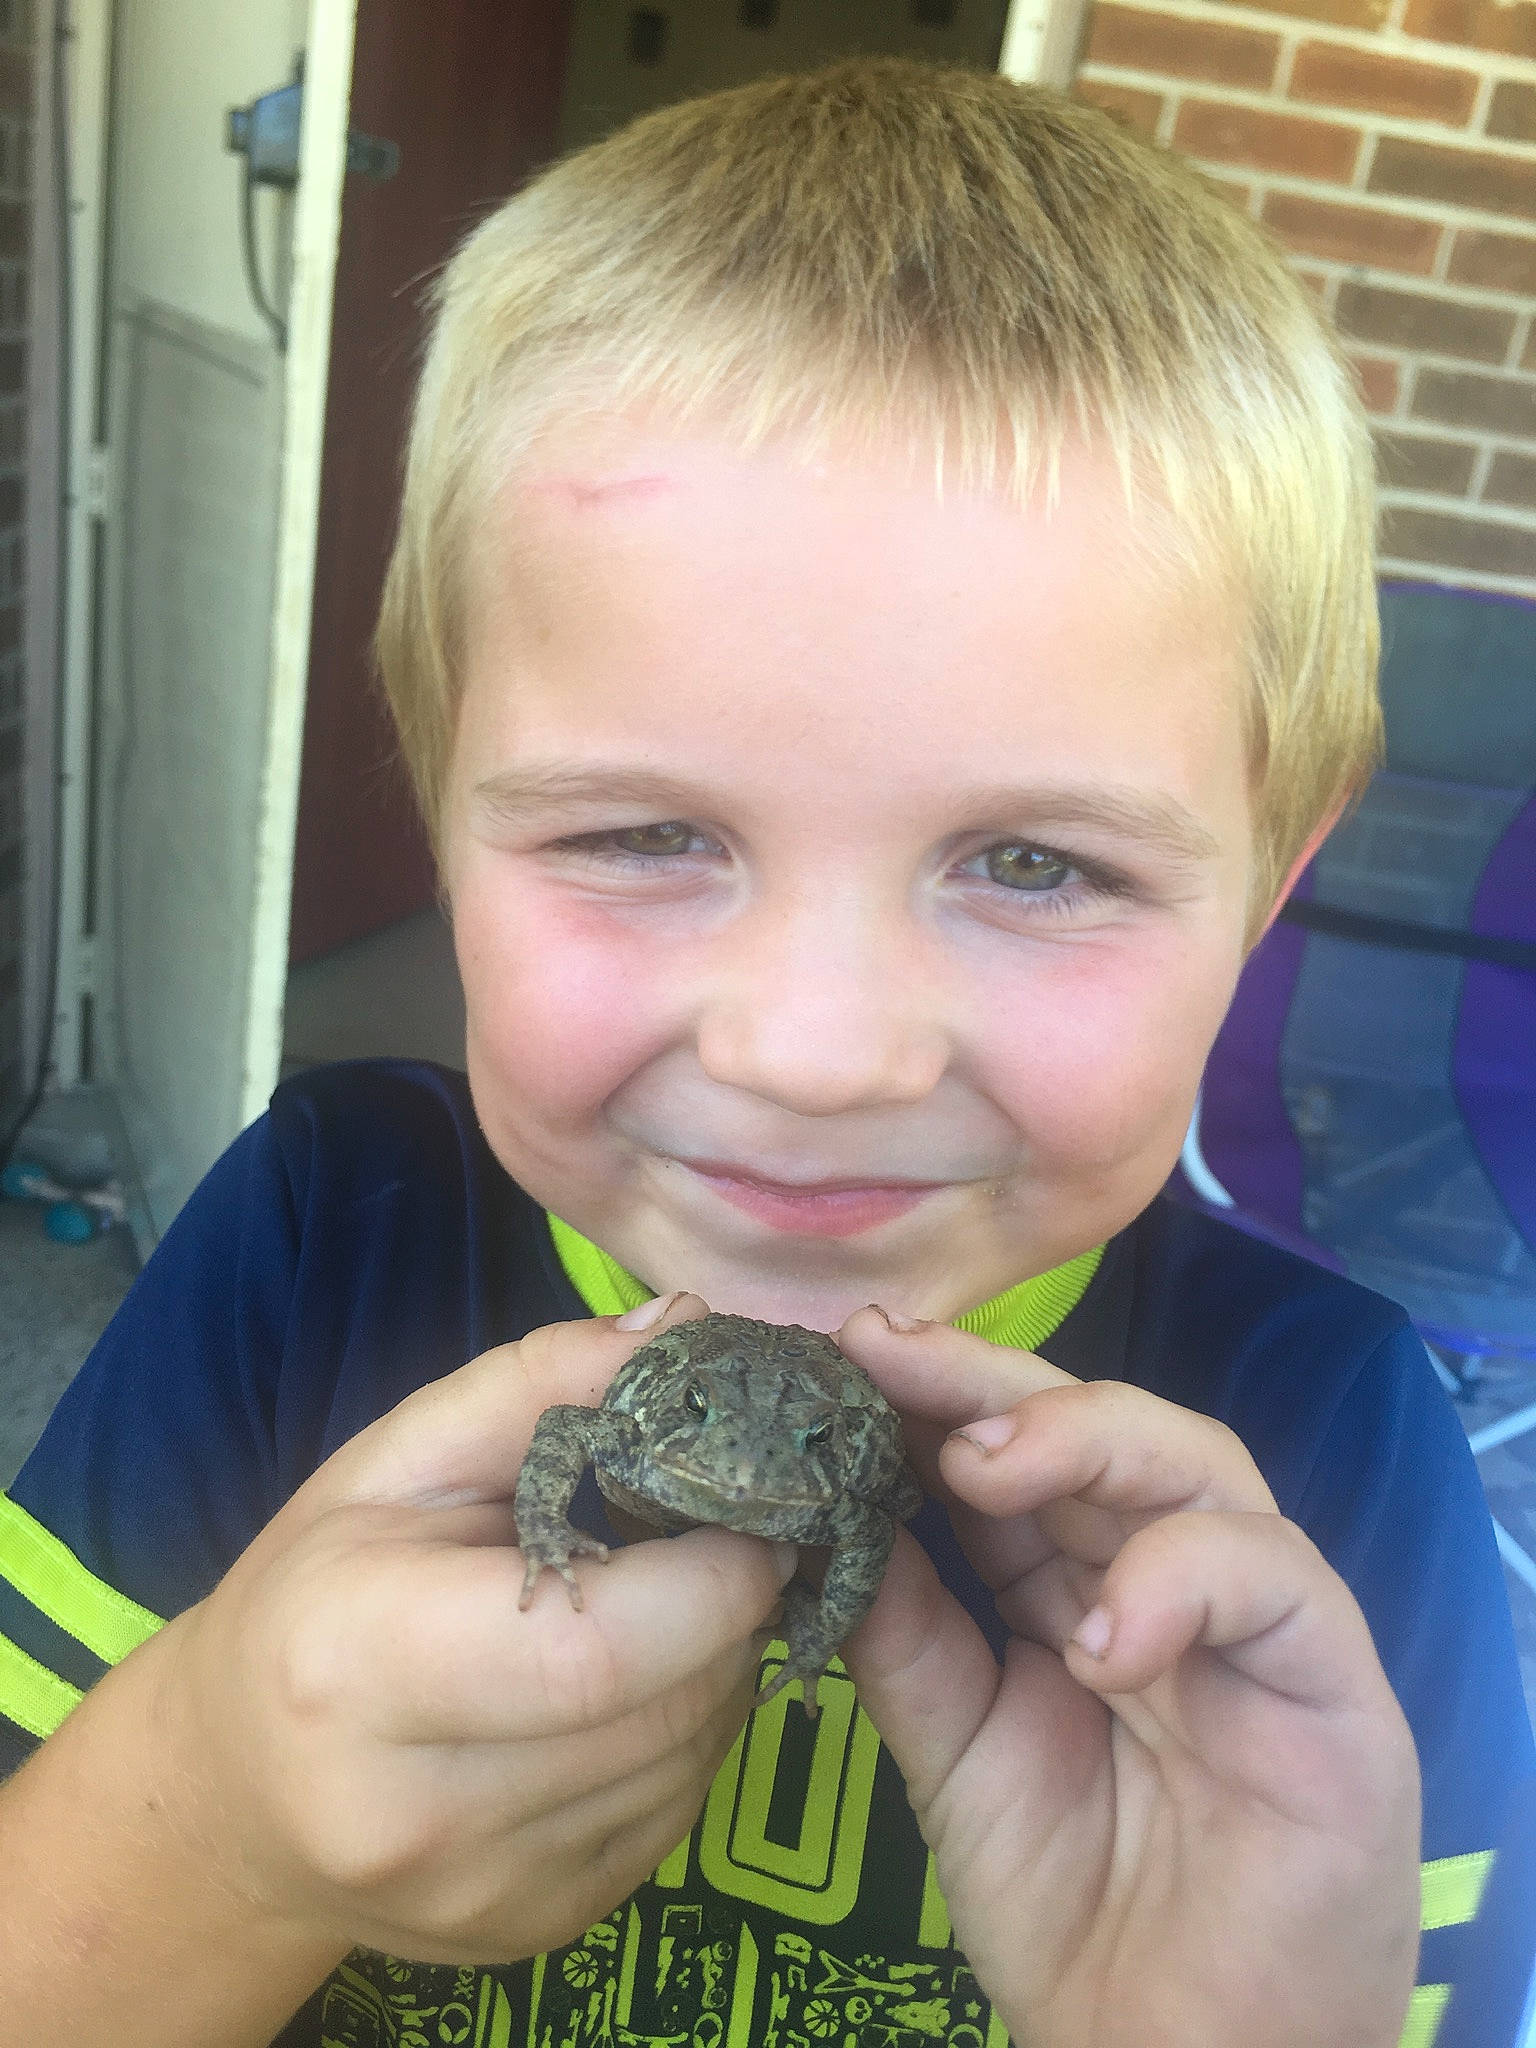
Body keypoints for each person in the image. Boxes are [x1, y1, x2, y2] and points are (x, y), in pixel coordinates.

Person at [1, 57, 1530, 2048]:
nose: (816, 1054)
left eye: (1036, 861)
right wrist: (210, 1815)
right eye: (644, 834)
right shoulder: (315, 1243)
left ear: (1263, 893)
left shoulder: (1326, 1476)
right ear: (442, 819)